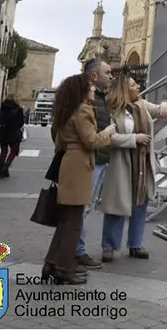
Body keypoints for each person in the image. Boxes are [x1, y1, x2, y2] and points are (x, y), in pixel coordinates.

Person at [43, 74, 116, 285]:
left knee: (66, 219)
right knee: (74, 220)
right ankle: (63, 268)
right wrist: (108, 131)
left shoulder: (66, 109)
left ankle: (52, 263)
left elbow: (56, 135)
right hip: (79, 164)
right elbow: (91, 140)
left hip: (70, 161)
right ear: (82, 91)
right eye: (90, 88)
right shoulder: (83, 109)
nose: (94, 91)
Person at [99, 75, 167, 262]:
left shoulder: (142, 105)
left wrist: (165, 103)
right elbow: (106, 138)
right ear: (124, 90)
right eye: (133, 85)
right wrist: (134, 139)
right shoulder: (112, 110)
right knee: (117, 205)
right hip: (121, 162)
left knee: (140, 203)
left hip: (142, 162)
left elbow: (161, 110)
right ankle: (109, 246)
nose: (138, 86)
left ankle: (136, 244)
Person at [0, 94, 26, 178]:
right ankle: (6, 167)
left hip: (3, 132)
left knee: (3, 152)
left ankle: (1, 171)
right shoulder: (19, 109)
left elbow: (0, 119)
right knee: (13, 151)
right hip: (14, 132)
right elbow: (21, 122)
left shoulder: (2, 108)